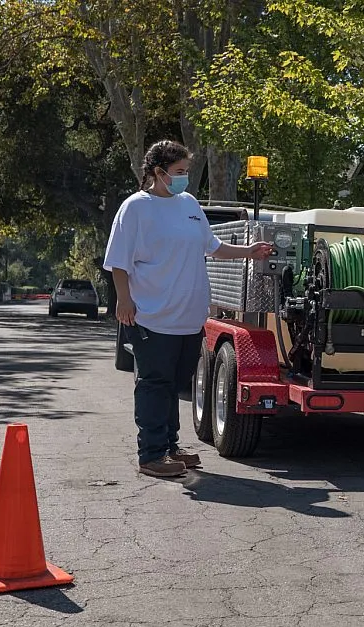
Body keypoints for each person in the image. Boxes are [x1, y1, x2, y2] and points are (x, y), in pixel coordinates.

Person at [104, 140, 272, 478]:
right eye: (179, 172)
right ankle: (151, 455)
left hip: (189, 317)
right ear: (158, 172)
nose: (185, 178)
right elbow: (118, 261)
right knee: (154, 384)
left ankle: (170, 445)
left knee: (175, 384)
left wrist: (249, 252)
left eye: (186, 172)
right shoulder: (135, 208)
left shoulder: (189, 204)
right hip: (152, 316)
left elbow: (212, 247)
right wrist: (124, 300)